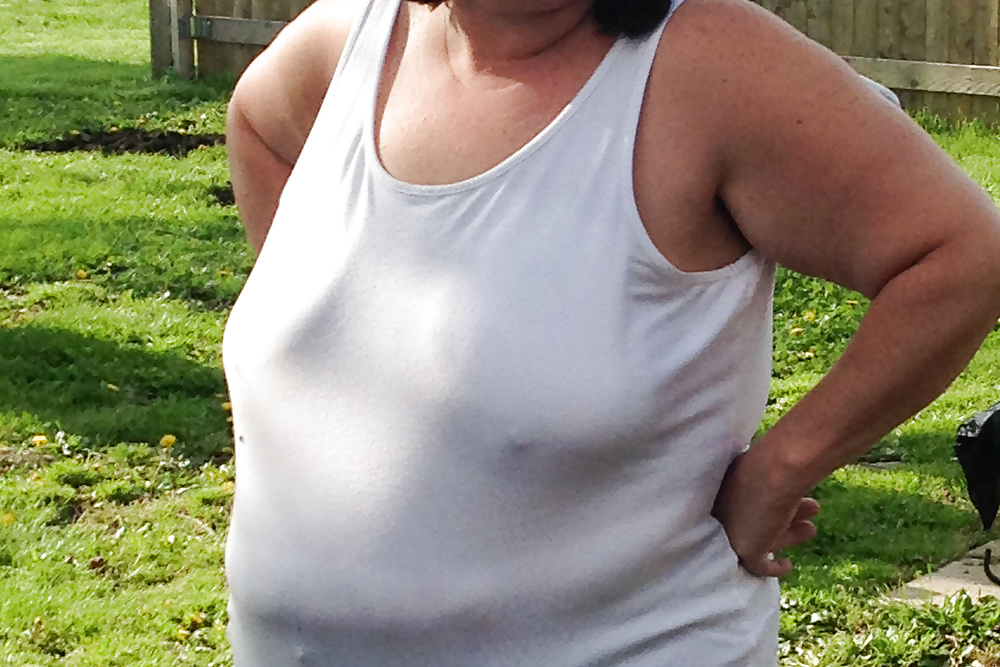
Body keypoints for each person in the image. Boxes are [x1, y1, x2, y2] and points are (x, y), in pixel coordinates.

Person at [221, 0, 1000, 664]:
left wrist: (778, 471)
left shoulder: (709, 68)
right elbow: (257, 122)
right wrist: (338, 327)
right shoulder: (354, 37)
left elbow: (963, 256)